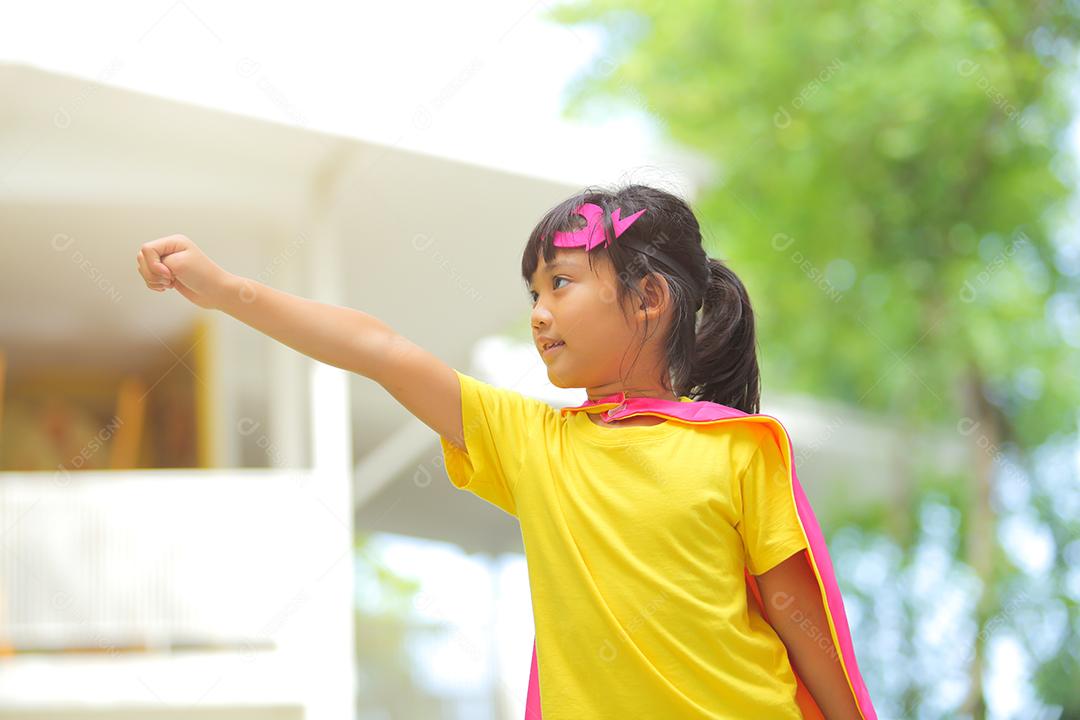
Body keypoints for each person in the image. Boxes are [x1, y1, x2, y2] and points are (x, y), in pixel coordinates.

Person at [136, 183, 876, 720]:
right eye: (533, 295)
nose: (539, 314)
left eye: (561, 283)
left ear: (649, 299)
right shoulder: (532, 442)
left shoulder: (739, 449)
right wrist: (227, 290)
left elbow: (803, 624)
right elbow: (380, 350)